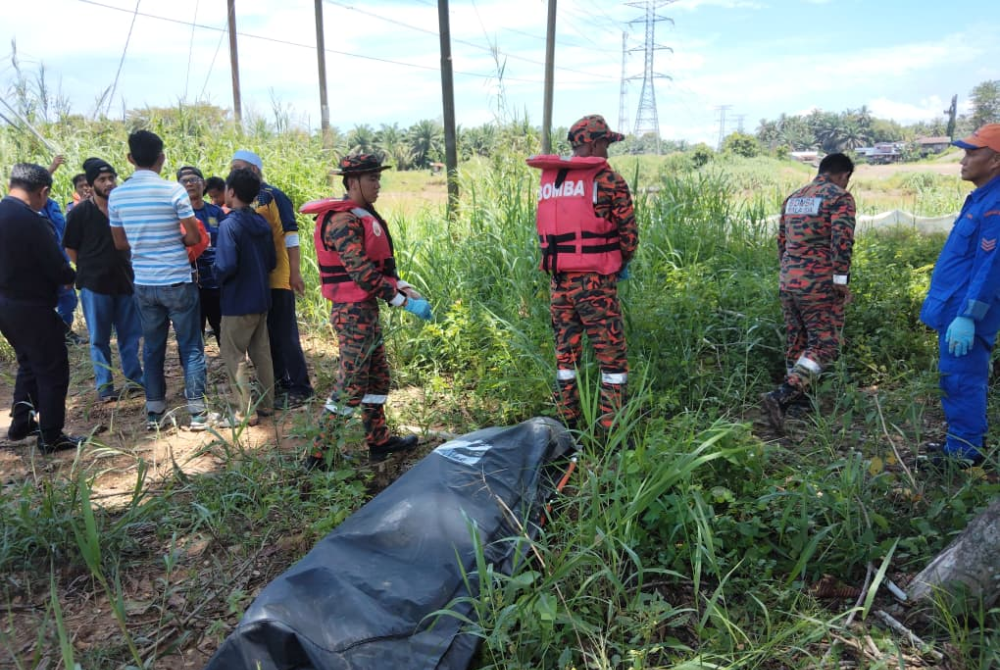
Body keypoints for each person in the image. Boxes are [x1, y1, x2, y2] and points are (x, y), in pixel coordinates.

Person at [300, 153, 431, 468]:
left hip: (364, 309)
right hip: (351, 311)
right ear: (352, 182)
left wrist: (402, 286)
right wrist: (402, 302)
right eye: (371, 178)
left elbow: (377, 268)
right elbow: (361, 273)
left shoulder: (359, 215)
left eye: (378, 178)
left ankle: (379, 441)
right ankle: (318, 456)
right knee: (352, 383)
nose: (378, 184)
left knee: (377, 378)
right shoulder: (342, 221)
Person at [526, 115, 637, 437]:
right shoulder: (608, 180)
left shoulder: (553, 181)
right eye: (605, 143)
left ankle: (567, 425)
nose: (607, 149)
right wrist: (620, 261)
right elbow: (629, 235)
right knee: (612, 360)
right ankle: (610, 432)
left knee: (566, 356)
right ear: (592, 143)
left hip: (559, 283)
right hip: (595, 281)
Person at [108, 130, 210, 431]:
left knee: (152, 347)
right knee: (191, 346)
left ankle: (154, 413)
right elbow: (192, 236)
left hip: (144, 282)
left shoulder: (117, 195)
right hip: (177, 279)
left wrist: (146, 242)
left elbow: (120, 243)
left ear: (130, 158)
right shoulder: (173, 191)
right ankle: (197, 414)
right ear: (161, 158)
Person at [920, 124, 1000, 467]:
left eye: (972, 153)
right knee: (955, 378)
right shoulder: (981, 198)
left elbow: (991, 265)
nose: (963, 160)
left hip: (967, 313)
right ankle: (962, 444)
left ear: (995, 160)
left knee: (962, 380)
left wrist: (969, 315)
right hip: (954, 309)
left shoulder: (996, 204)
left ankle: (965, 454)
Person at [761, 153, 856, 432]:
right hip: (819, 282)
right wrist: (840, 280)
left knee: (798, 339)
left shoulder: (794, 198)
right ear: (843, 175)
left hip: (789, 279)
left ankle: (799, 401)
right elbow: (842, 240)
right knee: (826, 344)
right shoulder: (839, 197)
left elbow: (782, 242)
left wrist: (788, 272)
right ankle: (783, 395)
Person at [0, 163, 83, 452]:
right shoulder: (31, 220)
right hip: (32, 306)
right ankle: (51, 435)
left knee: (29, 363)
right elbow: (57, 266)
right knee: (52, 369)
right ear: (43, 191)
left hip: (6, 307)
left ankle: (21, 422)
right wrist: (74, 278)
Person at [230, 150, 314, 408]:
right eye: (232, 168)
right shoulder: (244, 200)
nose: (233, 172)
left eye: (239, 167)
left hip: (280, 277)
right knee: (266, 336)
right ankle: (279, 383)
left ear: (254, 169)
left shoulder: (273, 196)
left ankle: (301, 386)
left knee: (285, 333)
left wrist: (295, 272)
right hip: (258, 280)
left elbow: (291, 234)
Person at [63, 157, 144, 402]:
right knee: (99, 339)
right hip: (94, 286)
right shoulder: (79, 213)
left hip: (125, 282)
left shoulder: (124, 209)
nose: (108, 183)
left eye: (111, 178)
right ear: (91, 184)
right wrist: (89, 268)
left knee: (130, 336)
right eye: (102, 179)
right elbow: (70, 248)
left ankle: (134, 381)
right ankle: (105, 387)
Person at [212, 168, 277, 425]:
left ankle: (244, 412)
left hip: (237, 301)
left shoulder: (229, 225)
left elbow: (225, 265)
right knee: (262, 355)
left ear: (232, 192)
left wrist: (213, 274)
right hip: (261, 298)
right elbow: (271, 261)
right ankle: (267, 406)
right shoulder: (261, 222)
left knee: (234, 355)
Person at [177, 165, 224, 343]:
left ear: (203, 184)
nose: (190, 184)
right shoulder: (176, 214)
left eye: (194, 179)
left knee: (223, 330)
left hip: (215, 283)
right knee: (191, 334)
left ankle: (233, 369)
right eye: (184, 181)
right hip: (187, 284)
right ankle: (194, 371)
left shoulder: (216, 213)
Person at [44, 155, 84, 344]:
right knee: (46, 303)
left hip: (61, 261)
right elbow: (33, 182)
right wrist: (52, 168)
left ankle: (65, 334)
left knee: (68, 301)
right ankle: (55, 336)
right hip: (44, 264)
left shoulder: (52, 206)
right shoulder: (31, 209)